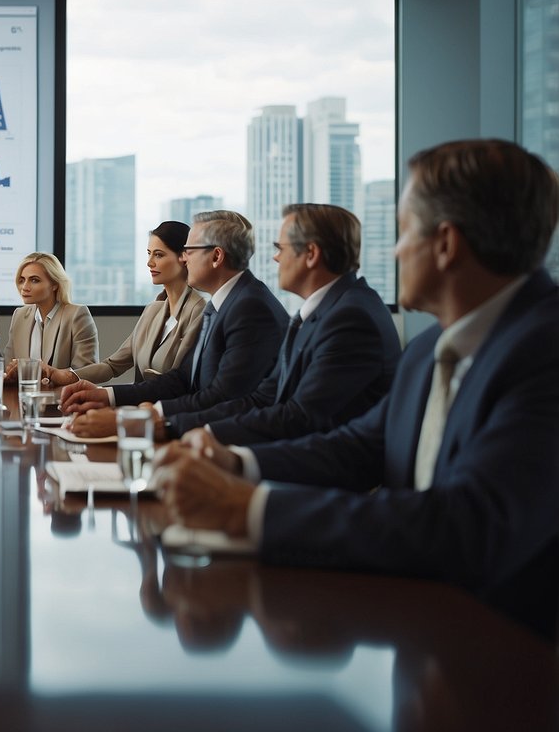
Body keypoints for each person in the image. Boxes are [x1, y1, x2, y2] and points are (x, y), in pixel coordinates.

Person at [159, 139, 559, 640]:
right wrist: (237, 464)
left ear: (446, 243)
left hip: (507, 657)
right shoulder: (429, 348)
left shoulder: (544, 352)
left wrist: (248, 508)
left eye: (402, 232)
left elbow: (468, 526)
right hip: (419, 629)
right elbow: (361, 446)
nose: (393, 251)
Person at [163, 204, 401, 444]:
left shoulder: (351, 318)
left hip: (325, 468)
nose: (275, 257)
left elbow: (299, 418)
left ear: (311, 254)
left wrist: (195, 433)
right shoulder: (326, 311)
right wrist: (179, 426)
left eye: (280, 248)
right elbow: (264, 398)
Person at [60, 210, 287, 432]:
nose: (184, 258)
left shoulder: (249, 307)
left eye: (189, 250)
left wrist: (139, 419)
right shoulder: (221, 305)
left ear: (217, 256)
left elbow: (222, 398)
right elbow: (182, 378)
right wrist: (107, 395)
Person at [50, 221, 205, 386]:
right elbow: (112, 366)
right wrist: (66, 376)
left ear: (183, 257)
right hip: (140, 405)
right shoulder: (152, 311)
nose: (149, 262)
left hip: (169, 408)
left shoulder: (199, 312)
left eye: (159, 255)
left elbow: (183, 382)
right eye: (149, 253)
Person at [1, 252, 98, 382]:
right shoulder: (19, 315)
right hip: (23, 396)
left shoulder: (77, 314)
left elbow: (85, 373)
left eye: (34, 280)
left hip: (63, 398)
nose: (25, 287)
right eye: (22, 280)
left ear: (55, 284)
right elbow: (7, 369)